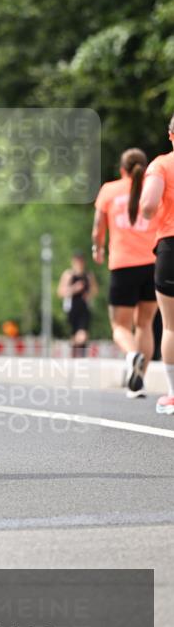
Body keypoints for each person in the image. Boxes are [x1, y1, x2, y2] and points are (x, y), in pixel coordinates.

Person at [92, 148, 158, 398]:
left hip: (122, 265)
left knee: (119, 325)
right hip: (152, 263)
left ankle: (132, 356)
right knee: (145, 323)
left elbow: (98, 226)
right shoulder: (152, 190)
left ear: (122, 170)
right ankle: (138, 381)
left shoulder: (109, 190)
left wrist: (97, 248)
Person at [138, 115, 174, 414]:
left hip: (171, 246)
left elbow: (148, 205)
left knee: (171, 327)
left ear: (171, 135)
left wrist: (149, 215)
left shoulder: (161, 165)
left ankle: (173, 395)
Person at [57, 252, 98, 357]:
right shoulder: (68, 275)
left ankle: (81, 355)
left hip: (84, 308)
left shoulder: (88, 275)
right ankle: (75, 356)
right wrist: (74, 289)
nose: (79, 263)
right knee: (74, 335)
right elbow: (60, 292)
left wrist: (88, 294)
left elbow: (95, 290)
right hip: (72, 309)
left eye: (81, 261)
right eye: (77, 261)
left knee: (83, 335)